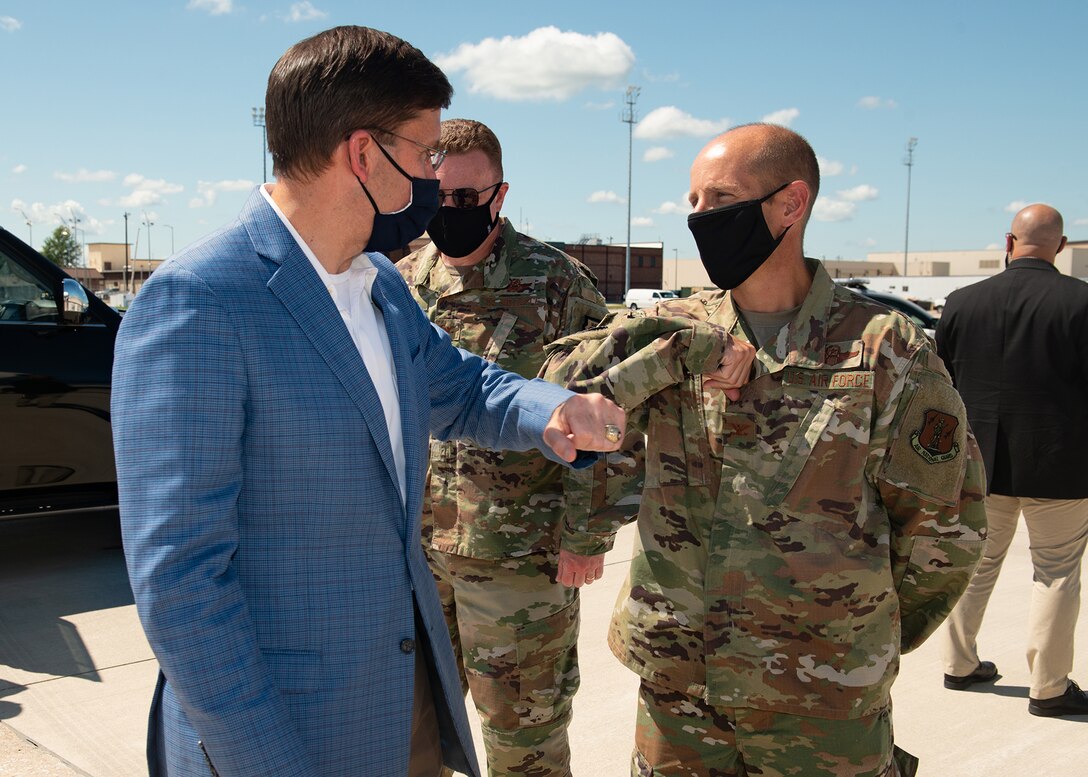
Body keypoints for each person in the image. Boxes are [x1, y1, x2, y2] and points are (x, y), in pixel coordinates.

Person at [110, 26, 625, 777]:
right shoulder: (200, 303)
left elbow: (461, 384)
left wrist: (550, 409)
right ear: (362, 154)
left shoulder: (379, 285)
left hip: (396, 706)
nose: (432, 176)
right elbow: (181, 584)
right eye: (424, 156)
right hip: (283, 730)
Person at [543, 123, 987, 776]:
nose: (701, 219)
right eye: (693, 202)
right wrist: (675, 355)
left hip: (822, 703)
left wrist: (855, 640)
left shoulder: (886, 349)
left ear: (791, 203)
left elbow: (943, 529)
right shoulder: (676, 328)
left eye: (720, 199)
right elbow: (553, 395)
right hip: (680, 697)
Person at [395, 118, 630, 776]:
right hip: (416, 554)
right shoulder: (400, 280)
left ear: (499, 196)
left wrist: (586, 533)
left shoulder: (559, 285)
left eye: (465, 199)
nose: (449, 212)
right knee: (411, 735)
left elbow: (604, 415)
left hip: (518, 562)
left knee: (525, 742)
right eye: (435, 195)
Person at [937, 204, 1088, 717]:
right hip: (1060, 465)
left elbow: (944, 386)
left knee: (975, 564)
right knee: (1056, 574)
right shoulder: (1081, 302)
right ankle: (1049, 688)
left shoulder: (961, 302)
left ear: (1008, 242)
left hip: (979, 464)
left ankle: (958, 664)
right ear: (1061, 248)